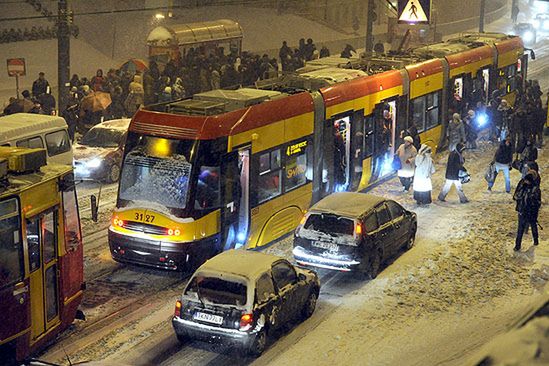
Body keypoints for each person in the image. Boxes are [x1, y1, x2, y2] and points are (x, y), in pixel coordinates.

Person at [513, 171, 541, 251]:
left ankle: (535, 240)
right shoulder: (523, 185)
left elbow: (537, 202)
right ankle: (517, 246)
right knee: (521, 229)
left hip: (529, 211)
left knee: (532, 226)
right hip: (523, 210)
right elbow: (515, 196)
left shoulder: (535, 189)